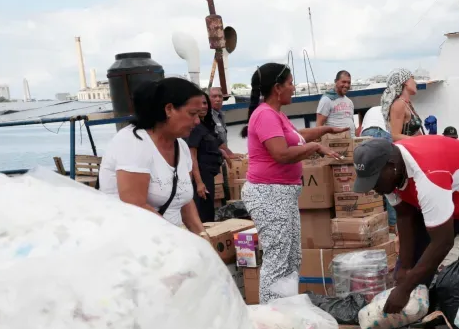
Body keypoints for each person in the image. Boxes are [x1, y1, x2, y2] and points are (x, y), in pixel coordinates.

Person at [352, 136, 459, 314]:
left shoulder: (428, 176)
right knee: (409, 268)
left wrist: (405, 289)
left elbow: (443, 243)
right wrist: (406, 267)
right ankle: (415, 314)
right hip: (446, 193)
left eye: (374, 181)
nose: (373, 189)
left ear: (392, 166)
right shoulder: (391, 171)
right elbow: (405, 215)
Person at [241, 62, 340, 303]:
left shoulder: (277, 115)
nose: (293, 88)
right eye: (290, 83)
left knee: (292, 257)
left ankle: (287, 309)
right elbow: (281, 153)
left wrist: (323, 130)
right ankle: (271, 316)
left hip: (283, 194)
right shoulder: (264, 115)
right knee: (277, 258)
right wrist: (315, 147)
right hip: (268, 193)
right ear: (277, 88)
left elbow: (296, 137)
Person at [99, 78, 206, 232]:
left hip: (169, 240)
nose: (197, 122)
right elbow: (136, 206)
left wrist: (203, 237)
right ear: (169, 109)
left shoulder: (181, 146)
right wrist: (179, 241)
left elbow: (184, 201)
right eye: (192, 114)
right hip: (136, 241)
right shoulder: (132, 142)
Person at [188, 89, 231, 223]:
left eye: (205, 103)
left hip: (209, 176)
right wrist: (199, 183)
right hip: (201, 177)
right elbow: (192, 156)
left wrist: (223, 153)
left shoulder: (205, 125)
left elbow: (214, 144)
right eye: (199, 104)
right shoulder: (194, 127)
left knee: (209, 212)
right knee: (204, 215)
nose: (203, 106)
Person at [382, 69, 423, 140]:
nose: (415, 82)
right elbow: (395, 135)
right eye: (412, 78)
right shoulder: (399, 104)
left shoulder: (407, 103)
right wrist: (417, 141)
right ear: (405, 82)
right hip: (408, 148)